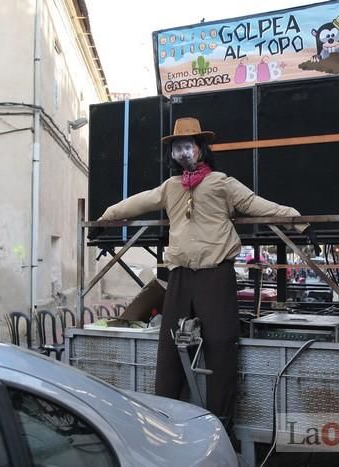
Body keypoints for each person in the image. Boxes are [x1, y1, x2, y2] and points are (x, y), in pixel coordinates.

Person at [93, 117, 308, 426]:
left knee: (221, 344)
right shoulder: (170, 187)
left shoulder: (222, 183)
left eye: (188, 146)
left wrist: (297, 219)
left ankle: (220, 420)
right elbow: (137, 203)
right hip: (180, 275)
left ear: (201, 149)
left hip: (215, 275)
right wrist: (105, 219)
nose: (183, 152)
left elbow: (257, 204)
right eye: (177, 147)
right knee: (169, 347)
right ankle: (165, 416)